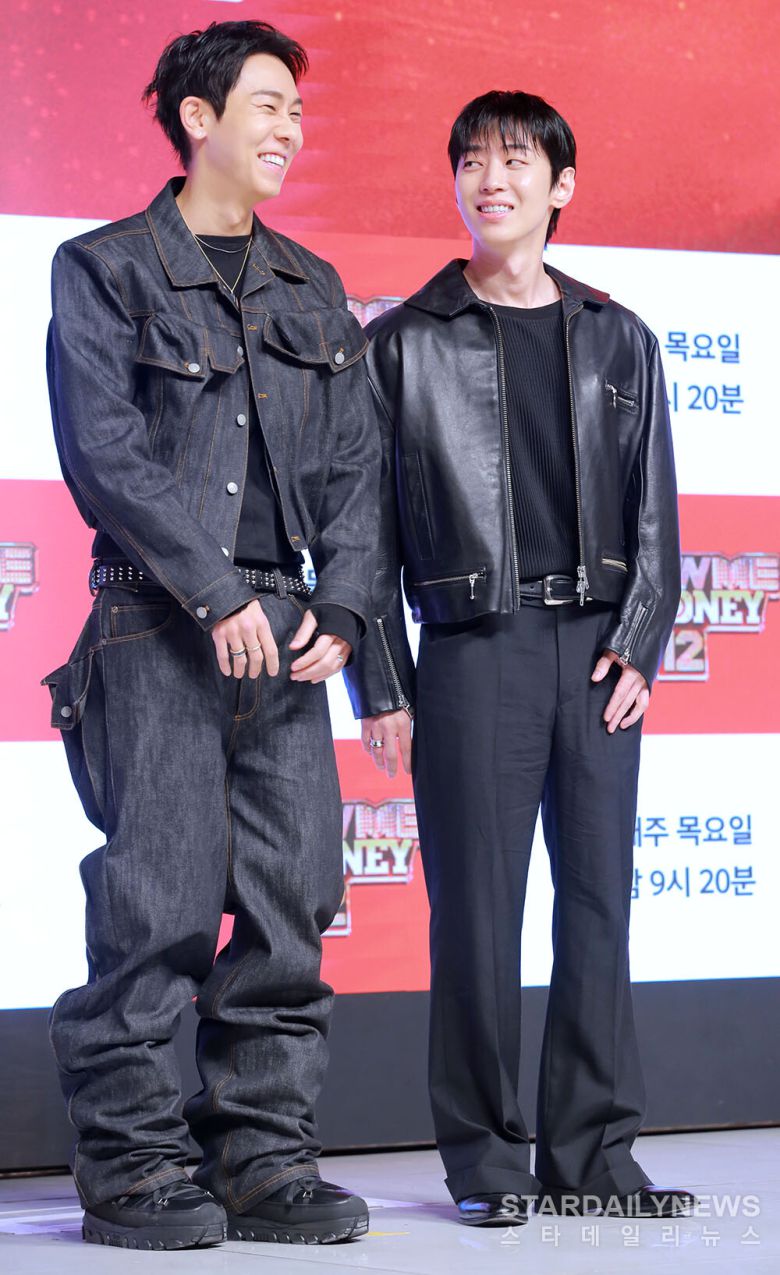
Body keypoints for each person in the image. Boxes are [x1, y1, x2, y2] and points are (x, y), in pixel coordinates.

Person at [44, 19, 377, 1251]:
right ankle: (133, 1170)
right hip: (156, 621)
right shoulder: (105, 268)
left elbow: (355, 468)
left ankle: (262, 1161)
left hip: (285, 637)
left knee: (292, 907)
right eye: (269, 104)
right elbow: (106, 453)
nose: (291, 129)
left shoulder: (312, 285)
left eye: (298, 111)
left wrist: (342, 605)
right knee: (159, 907)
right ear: (199, 117)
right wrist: (212, 593)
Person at [344, 90, 694, 1227]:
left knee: (598, 908)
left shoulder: (620, 336)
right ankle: (488, 1164)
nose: (491, 180)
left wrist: (640, 643)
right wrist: (381, 682)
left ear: (561, 186)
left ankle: (593, 1158)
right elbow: (365, 537)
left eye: (515, 161)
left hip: (596, 657)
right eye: (472, 163)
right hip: (471, 651)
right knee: (477, 918)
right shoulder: (400, 343)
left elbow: (656, 513)